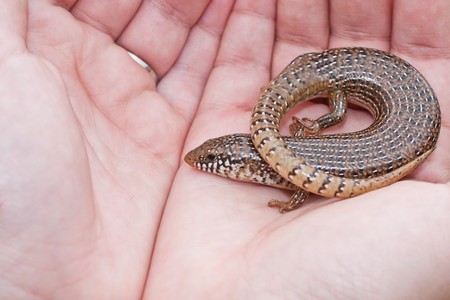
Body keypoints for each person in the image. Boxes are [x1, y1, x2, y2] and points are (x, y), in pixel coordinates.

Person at [1, 0, 449, 299]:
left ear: (250, 164)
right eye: (218, 161)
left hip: (408, 133)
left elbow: (303, 183)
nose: (208, 165)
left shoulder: (291, 162)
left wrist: (295, 192)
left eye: (220, 163)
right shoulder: (293, 152)